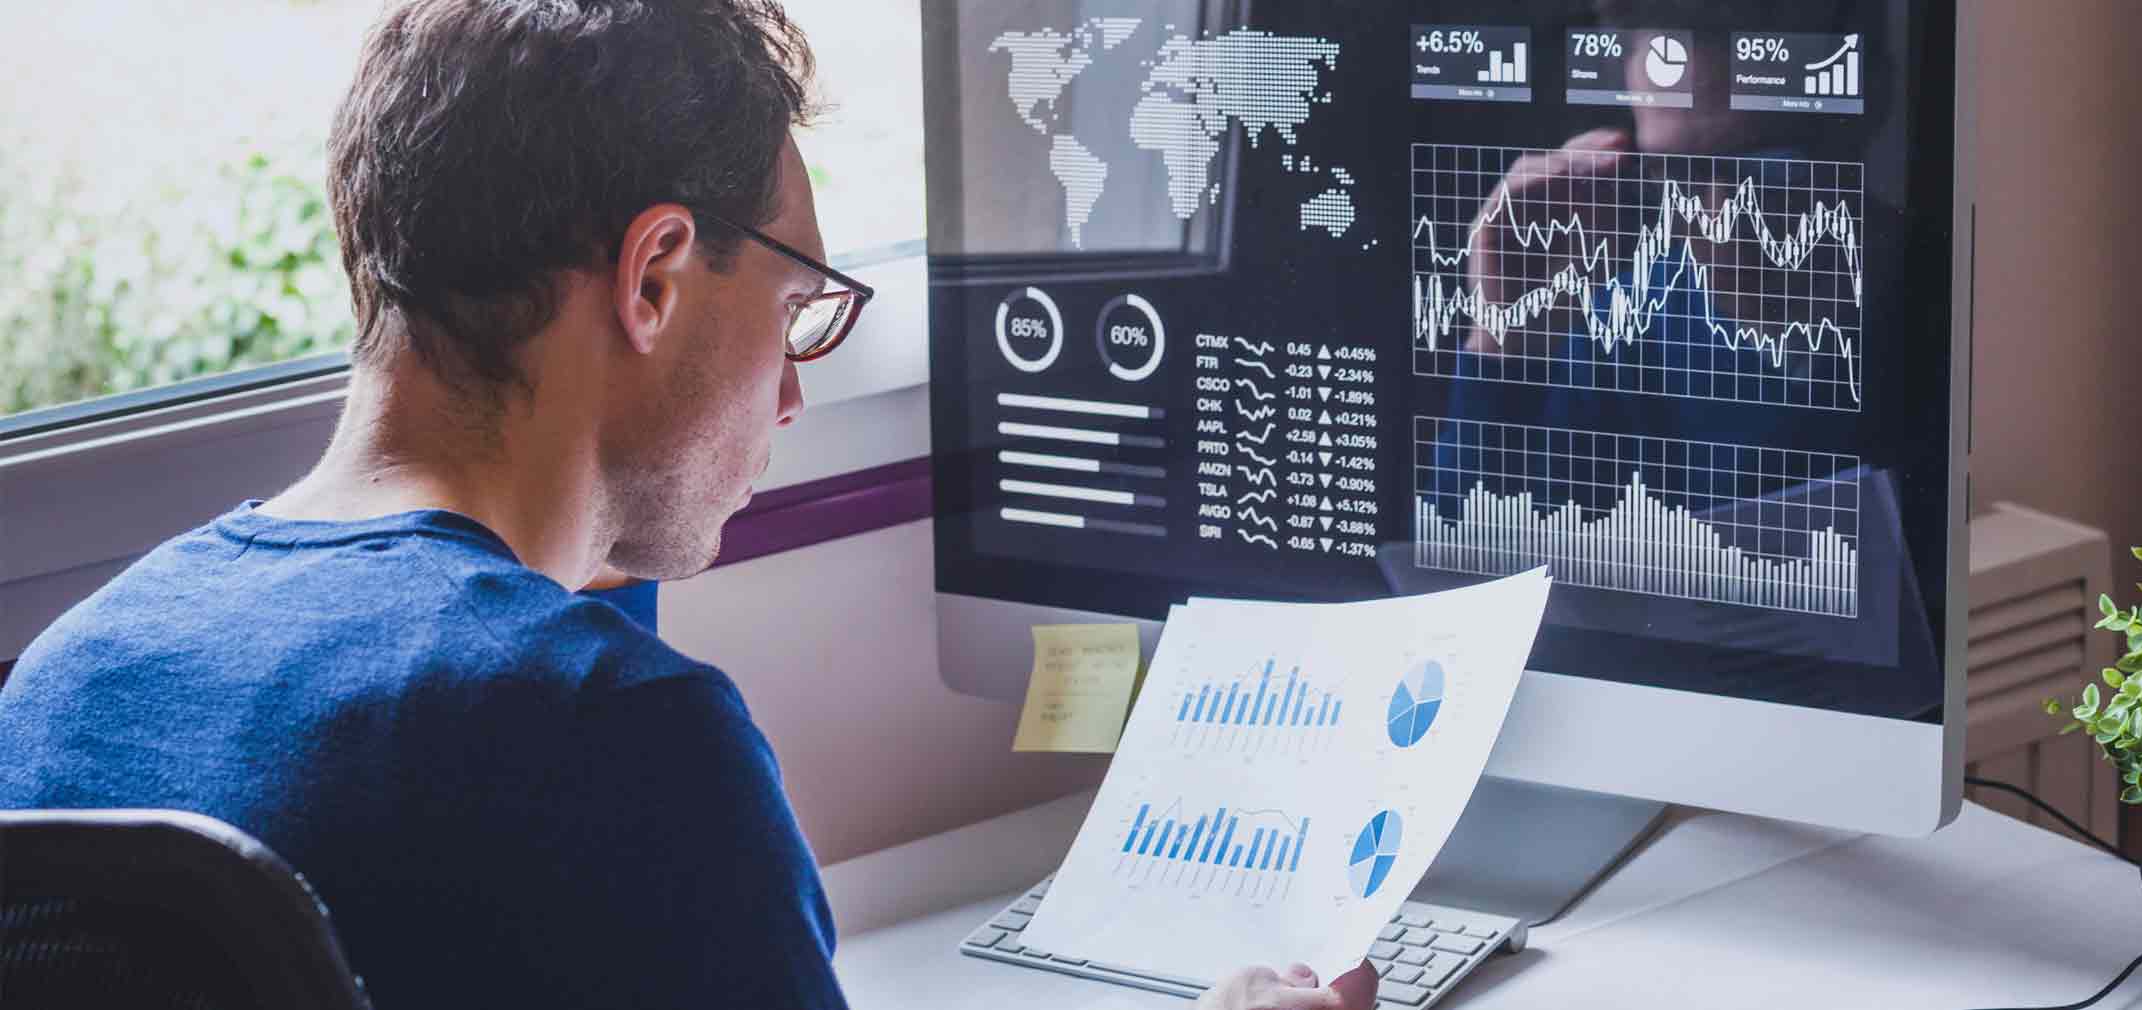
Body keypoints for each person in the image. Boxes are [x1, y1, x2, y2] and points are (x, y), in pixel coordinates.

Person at [0, 3, 1372, 1008]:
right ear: (652, 276)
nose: (789, 397)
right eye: (796, 310)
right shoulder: (614, 742)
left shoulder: (57, 686)